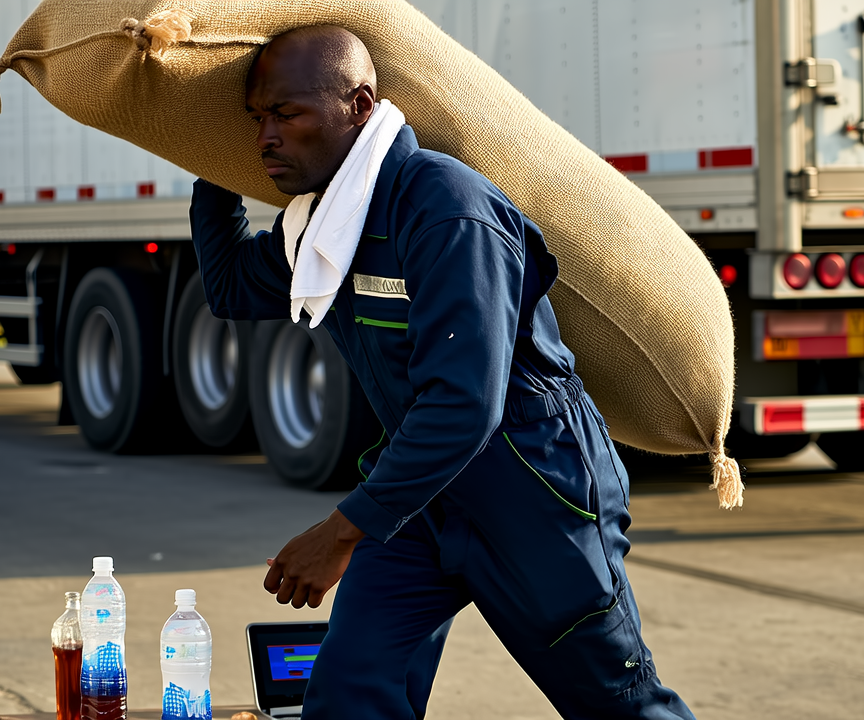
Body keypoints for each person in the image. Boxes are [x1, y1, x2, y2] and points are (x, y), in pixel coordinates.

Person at [190, 25, 696, 720]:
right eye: (257, 120)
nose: (265, 138)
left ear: (360, 105)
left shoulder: (447, 210)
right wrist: (207, 165)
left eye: (287, 114)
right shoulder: (324, 228)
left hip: (531, 492)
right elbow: (227, 288)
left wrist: (340, 531)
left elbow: (463, 404)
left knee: (619, 705)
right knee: (348, 697)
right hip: (420, 500)